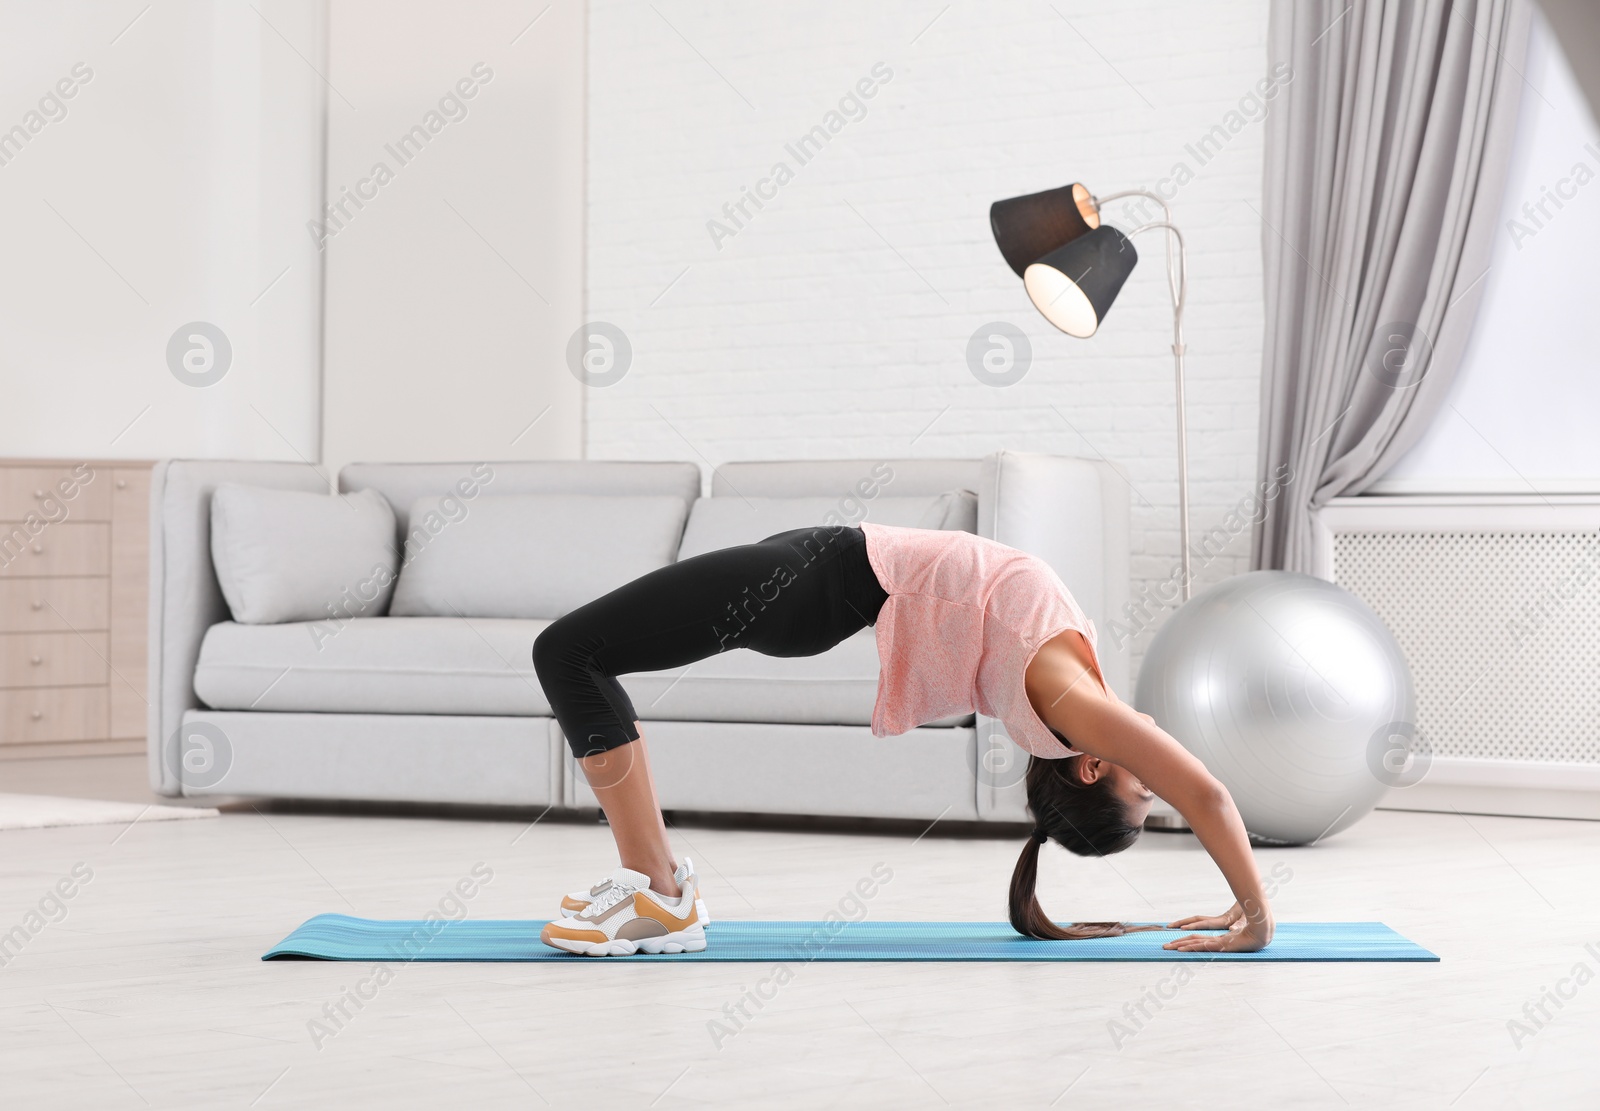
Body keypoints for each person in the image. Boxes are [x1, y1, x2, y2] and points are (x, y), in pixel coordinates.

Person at [531, 520, 1275, 956]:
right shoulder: (1077, 688)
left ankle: (658, 895)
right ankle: (663, 888)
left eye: (1139, 786)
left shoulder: (1076, 708)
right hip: (819, 577)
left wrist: (1256, 917)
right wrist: (1239, 904)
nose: (1154, 770)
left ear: (1091, 768)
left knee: (568, 652)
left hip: (816, 584)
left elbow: (1204, 791)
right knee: (580, 653)